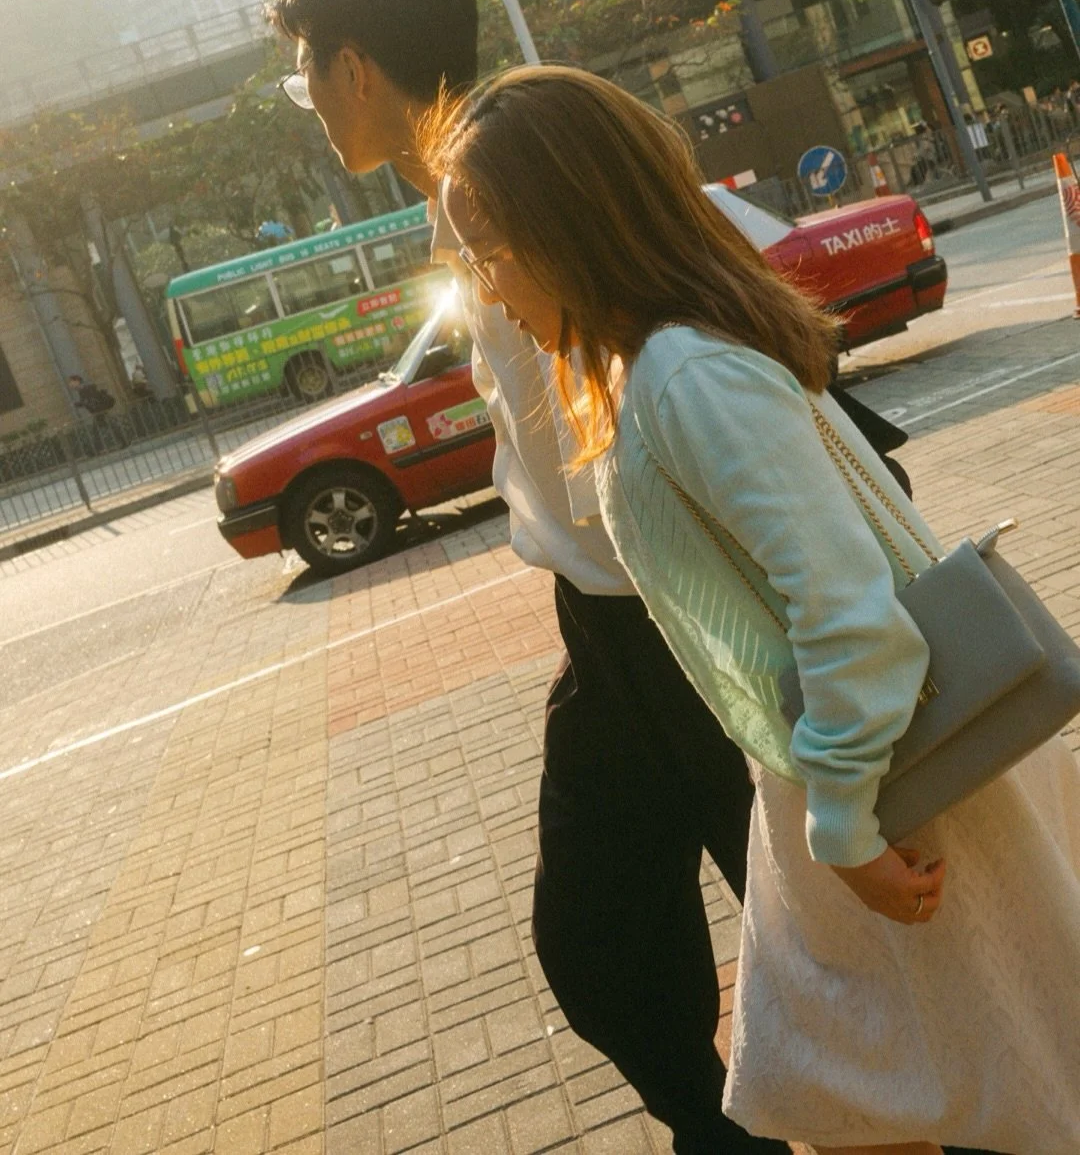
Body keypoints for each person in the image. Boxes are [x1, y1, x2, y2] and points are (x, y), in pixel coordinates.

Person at [428, 63, 1080, 1155]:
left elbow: (845, 608)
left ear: (573, 225)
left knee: (939, 1098)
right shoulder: (667, 363)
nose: (486, 290)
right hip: (854, 783)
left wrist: (844, 825)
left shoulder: (686, 376)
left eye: (489, 252)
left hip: (896, 786)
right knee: (884, 1100)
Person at [266, 0, 785, 1153]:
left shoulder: (488, 178)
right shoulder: (472, 176)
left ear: (353, 68)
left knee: (786, 916)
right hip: (615, 633)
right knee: (605, 940)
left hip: (678, 622)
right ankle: (743, 1129)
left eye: (304, 79)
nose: (310, 108)